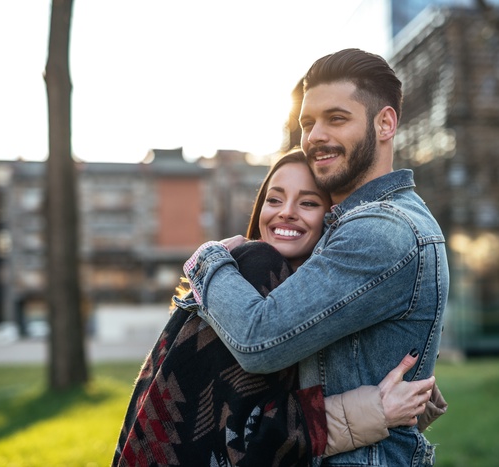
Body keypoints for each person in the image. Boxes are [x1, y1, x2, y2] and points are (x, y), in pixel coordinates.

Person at [183, 49, 450, 466]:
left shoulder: (382, 230)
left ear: (385, 123)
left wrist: (205, 260)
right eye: (308, 123)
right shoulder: (359, 225)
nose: (315, 136)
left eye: (336, 118)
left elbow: (259, 339)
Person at [113, 150, 437, 466]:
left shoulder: (293, 298)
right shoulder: (257, 269)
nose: (286, 212)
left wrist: (407, 399)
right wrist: (377, 410)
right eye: (274, 199)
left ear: (332, 219)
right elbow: (247, 435)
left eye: (308, 202)